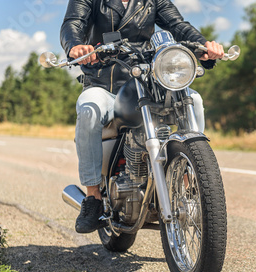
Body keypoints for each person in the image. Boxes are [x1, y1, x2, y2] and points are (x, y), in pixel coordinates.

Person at [60, 0, 224, 233]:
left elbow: (178, 25)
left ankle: (191, 184)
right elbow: (72, 24)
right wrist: (76, 46)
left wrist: (203, 46)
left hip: (147, 82)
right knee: (89, 109)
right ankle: (93, 197)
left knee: (194, 99)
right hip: (105, 85)